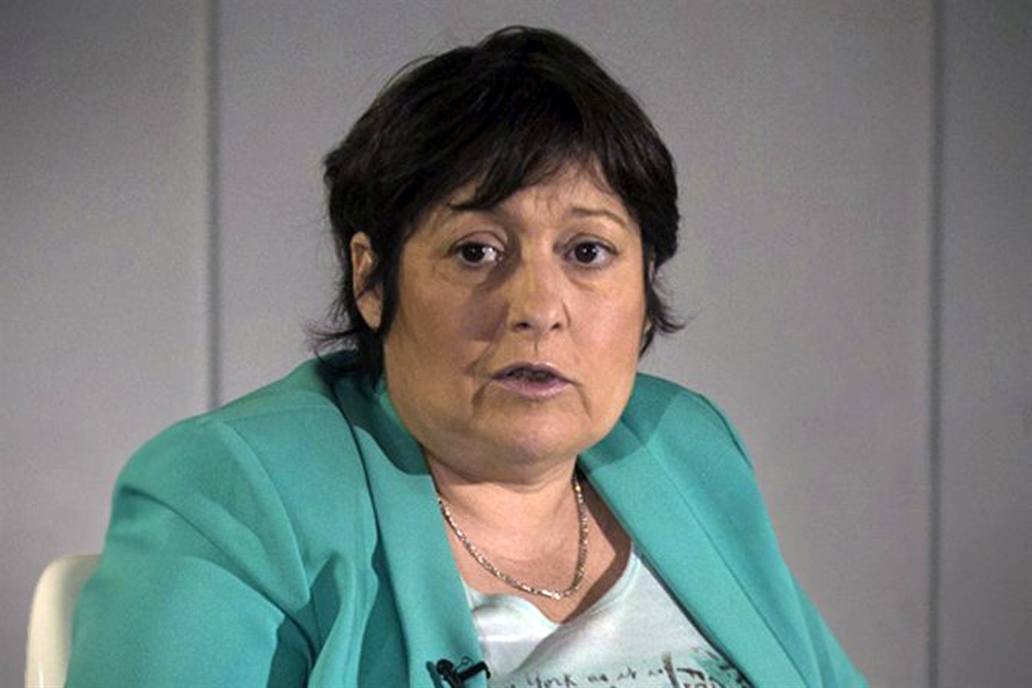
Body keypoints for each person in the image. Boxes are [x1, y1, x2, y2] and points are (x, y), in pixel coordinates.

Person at [67, 26, 865, 688]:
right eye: (477, 250)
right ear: (372, 279)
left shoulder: (684, 447)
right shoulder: (236, 491)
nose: (538, 308)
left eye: (587, 251)